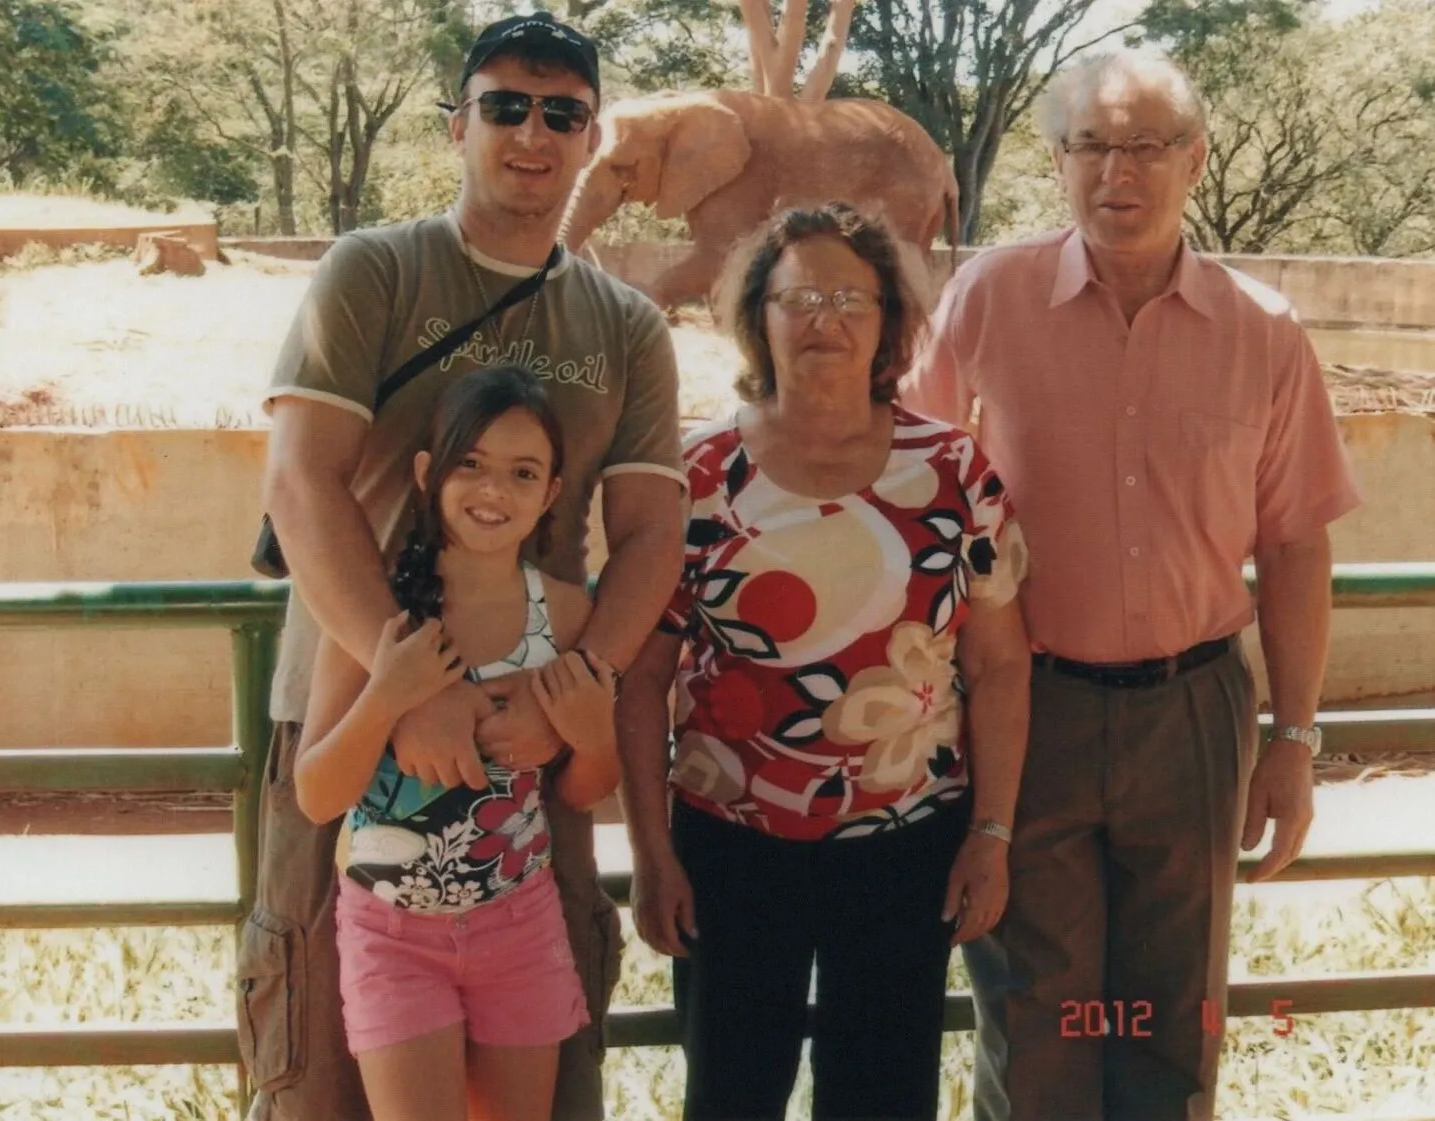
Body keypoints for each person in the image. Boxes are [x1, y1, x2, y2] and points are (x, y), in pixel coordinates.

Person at [239, 12, 687, 1121]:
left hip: (529, 741)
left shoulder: (625, 326)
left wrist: (563, 703)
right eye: (504, 105)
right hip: (354, 707)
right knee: (325, 1070)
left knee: (539, 1071)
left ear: (592, 138)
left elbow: (649, 537)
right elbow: (303, 484)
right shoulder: (375, 273)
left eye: (561, 113)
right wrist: (414, 683)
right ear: (458, 125)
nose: (530, 133)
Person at [901, 50, 1363, 1121]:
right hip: (1028, 708)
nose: (1116, 169)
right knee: (1034, 1019)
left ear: (1192, 159)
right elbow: (910, 478)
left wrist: (1292, 741)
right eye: (1090, 145)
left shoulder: (1263, 331)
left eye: (1144, 144)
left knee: (1170, 1021)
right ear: (1057, 161)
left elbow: (1293, 547)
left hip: (1193, 712)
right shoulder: (988, 295)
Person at [616, 203, 1033, 1121]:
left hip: (906, 848)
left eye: (852, 296)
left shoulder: (954, 472)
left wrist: (990, 836)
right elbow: (641, 676)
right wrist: (651, 854)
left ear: (889, 321)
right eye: (797, 295)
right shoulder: (696, 476)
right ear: (757, 316)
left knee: (882, 1100)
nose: (825, 318)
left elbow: (1000, 666)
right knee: (731, 1094)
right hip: (729, 851)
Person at [294, 366, 620, 1121]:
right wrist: (389, 694)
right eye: (469, 463)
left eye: (522, 472)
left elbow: (580, 789)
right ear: (425, 474)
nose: (492, 489)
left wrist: (593, 734)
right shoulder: (375, 616)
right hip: (390, 934)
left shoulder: (567, 617)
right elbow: (316, 794)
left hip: (520, 926)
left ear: (551, 492)